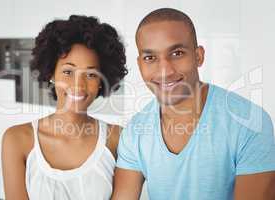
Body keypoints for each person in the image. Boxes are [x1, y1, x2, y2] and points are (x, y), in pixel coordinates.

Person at [111, 8, 275, 200]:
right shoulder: (134, 132)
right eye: (150, 58)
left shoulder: (249, 122)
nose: (165, 70)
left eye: (177, 53)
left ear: (199, 56)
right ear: (139, 65)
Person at [2, 15, 127, 200]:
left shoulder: (118, 139)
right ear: (51, 73)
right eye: (68, 72)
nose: (78, 85)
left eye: (91, 74)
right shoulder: (17, 140)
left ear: (102, 80)